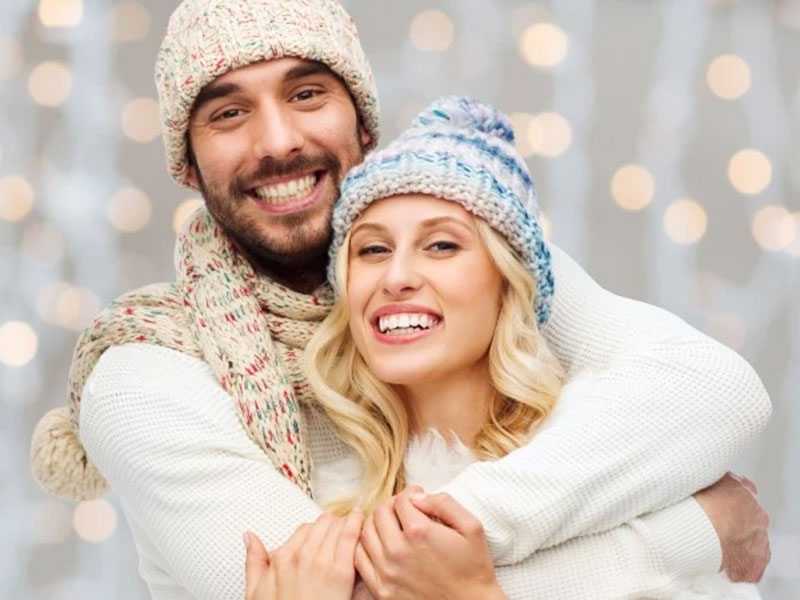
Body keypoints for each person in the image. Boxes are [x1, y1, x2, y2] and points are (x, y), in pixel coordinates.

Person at [28, 1, 770, 598]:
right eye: (229, 113)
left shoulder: (467, 251)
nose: (278, 139)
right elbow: (364, 595)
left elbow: (712, 387)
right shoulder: (144, 376)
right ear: (188, 164)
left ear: (362, 122)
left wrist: (459, 534)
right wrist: (691, 533)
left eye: (308, 93)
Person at [240, 96, 766, 600]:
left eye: (442, 245)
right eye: (373, 250)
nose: (396, 277)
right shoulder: (314, 501)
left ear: (507, 284)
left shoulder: (611, 463)